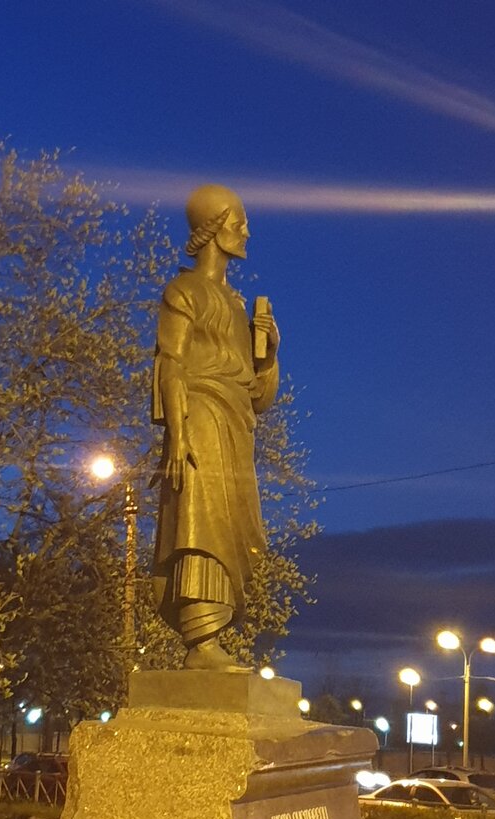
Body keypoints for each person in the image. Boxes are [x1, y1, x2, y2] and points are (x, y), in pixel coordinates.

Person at [152, 183, 279, 671]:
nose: (246, 232)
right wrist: (178, 434)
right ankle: (201, 639)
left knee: (230, 525)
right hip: (200, 418)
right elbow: (170, 362)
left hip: (235, 425)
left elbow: (257, 397)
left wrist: (268, 355)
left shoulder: (237, 305)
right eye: (238, 222)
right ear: (212, 228)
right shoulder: (183, 291)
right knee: (200, 522)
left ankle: (211, 639)